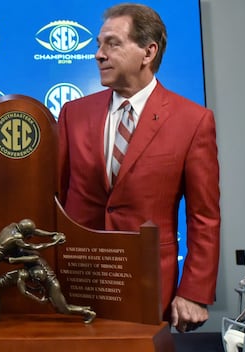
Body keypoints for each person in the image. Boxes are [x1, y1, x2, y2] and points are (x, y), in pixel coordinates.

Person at [57, 4, 220, 333]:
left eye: (112, 44)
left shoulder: (193, 121)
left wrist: (193, 292)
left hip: (148, 288)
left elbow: (204, 217)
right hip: (74, 288)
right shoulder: (73, 114)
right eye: (98, 44)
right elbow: (55, 200)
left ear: (148, 52)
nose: (98, 54)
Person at [0, 253, 95, 337]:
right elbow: (24, 291)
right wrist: (39, 300)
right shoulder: (22, 276)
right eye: (36, 279)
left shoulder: (32, 269)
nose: (37, 281)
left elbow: (27, 286)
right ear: (32, 274)